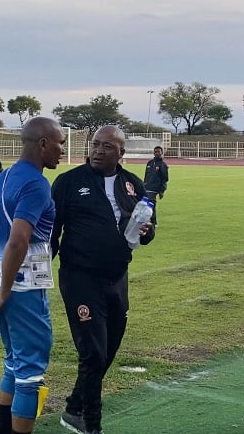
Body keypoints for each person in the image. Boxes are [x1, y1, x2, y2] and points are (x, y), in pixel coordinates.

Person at [51, 125, 155, 434]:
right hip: (80, 276)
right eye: (95, 144)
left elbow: (148, 229)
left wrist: (147, 232)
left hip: (117, 276)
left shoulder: (133, 184)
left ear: (121, 152)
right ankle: (90, 424)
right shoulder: (68, 182)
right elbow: (51, 231)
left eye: (107, 146)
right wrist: (39, 269)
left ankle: (73, 407)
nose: (98, 150)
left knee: (108, 349)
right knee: (92, 352)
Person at [0, 117, 66, 434]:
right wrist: (7, 291)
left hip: (1, 281)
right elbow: (19, 239)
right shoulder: (36, 184)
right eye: (60, 143)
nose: (62, 150)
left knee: (14, 362)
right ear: (42, 144)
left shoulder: (3, 178)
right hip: (22, 287)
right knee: (30, 373)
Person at [143, 145, 169, 226]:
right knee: (145, 204)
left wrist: (162, 191)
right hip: (147, 187)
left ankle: (153, 222)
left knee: (150, 204)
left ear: (162, 153)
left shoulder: (163, 164)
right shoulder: (150, 163)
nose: (156, 153)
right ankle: (150, 220)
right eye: (155, 151)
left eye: (158, 151)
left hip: (154, 188)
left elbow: (165, 178)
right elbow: (146, 175)